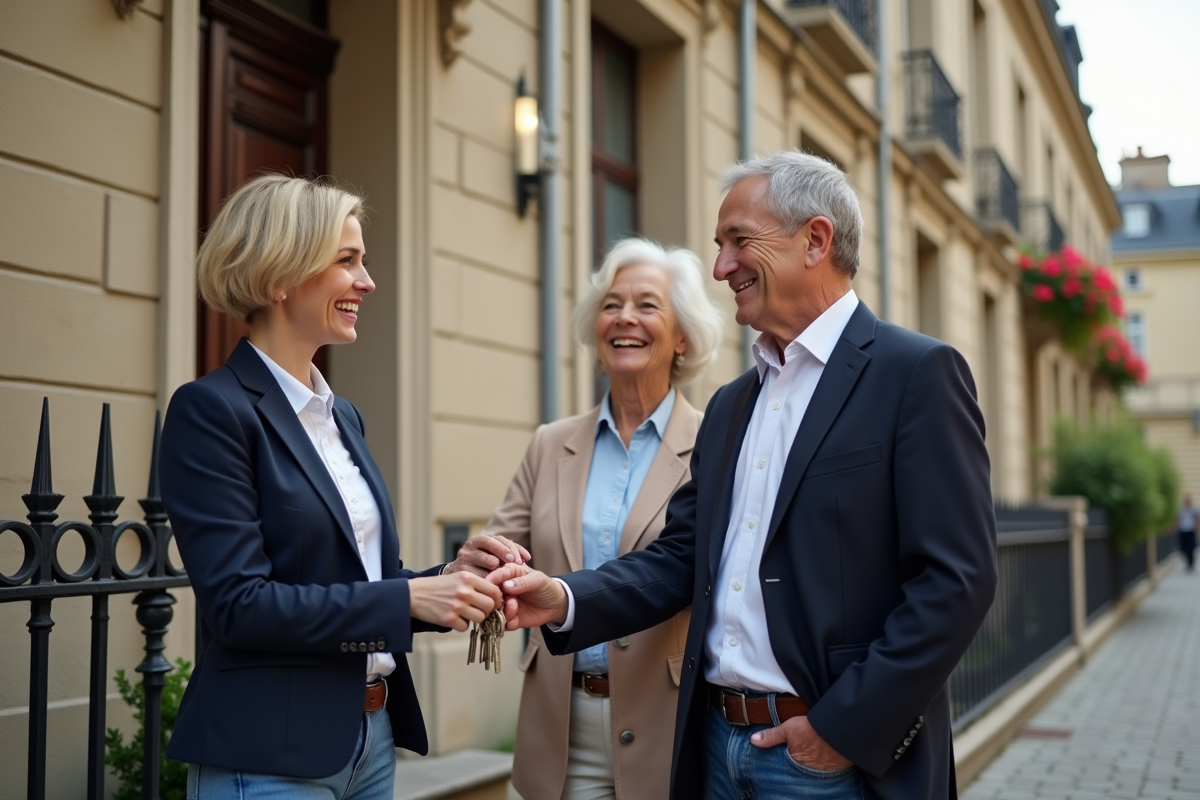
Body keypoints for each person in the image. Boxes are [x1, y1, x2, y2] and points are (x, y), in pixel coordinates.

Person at [492, 151, 999, 800]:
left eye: (738, 242)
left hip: (831, 764)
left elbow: (957, 581)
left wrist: (838, 730)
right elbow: (680, 557)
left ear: (815, 240)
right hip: (713, 750)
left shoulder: (916, 374)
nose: (720, 267)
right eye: (718, 245)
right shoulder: (734, 404)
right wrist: (563, 599)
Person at [159, 174, 528, 799]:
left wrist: (451, 579)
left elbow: (353, 585)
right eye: (347, 260)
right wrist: (409, 601)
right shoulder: (211, 410)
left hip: (371, 742)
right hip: (271, 760)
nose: (367, 280)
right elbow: (240, 607)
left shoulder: (341, 416)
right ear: (280, 275)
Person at [465, 238, 723, 800]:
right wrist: (485, 559)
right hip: (560, 725)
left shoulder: (715, 442)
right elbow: (497, 543)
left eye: (647, 304)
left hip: (669, 723)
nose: (624, 317)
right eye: (611, 304)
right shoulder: (551, 443)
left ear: (683, 335)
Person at [1177, 493, 1197, 571]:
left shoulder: (1194, 509)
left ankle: (1191, 562)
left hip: (1191, 530)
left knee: (1191, 547)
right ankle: (1187, 560)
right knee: (1183, 547)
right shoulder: (1181, 509)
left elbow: (1197, 519)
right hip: (1183, 530)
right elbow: (1177, 519)